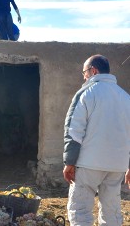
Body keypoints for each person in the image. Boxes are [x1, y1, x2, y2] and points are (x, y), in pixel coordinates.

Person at [63, 54, 130, 226]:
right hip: (117, 167)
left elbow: (74, 130)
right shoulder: (125, 98)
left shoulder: (86, 94)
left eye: (84, 73)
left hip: (88, 165)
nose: (83, 76)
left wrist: (69, 162)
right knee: (112, 211)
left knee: (80, 211)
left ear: (93, 71)